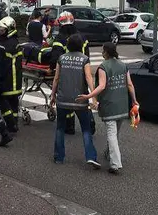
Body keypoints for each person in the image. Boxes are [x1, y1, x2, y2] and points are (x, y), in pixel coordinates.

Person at [77, 43, 138, 174]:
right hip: (122, 105)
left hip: (109, 105)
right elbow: (130, 84)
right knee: (115, 133)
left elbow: (102, 86)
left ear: (105, 52)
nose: (102, 52)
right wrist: (134, 100)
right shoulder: (123, 65)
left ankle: (115, 164)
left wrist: (89, 95)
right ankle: (109, 153)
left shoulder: (103, 67)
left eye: (102, 51)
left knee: (111, 133)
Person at [51, 34, 100, 168]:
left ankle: (59, 157)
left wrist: (52, 95)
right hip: (80, 99)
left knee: (60, 128)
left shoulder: (61, 58)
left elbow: (56, 78)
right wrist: (93, 97)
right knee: (85, 129)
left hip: (63, 99)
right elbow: (89, 78)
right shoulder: (84, 59)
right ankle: (90, 156)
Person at [50, 11, 90, 135]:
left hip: (66, 73)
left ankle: (69, 126)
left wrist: (52, 68)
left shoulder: (60, 38)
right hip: (82, 70)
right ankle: (90, 123)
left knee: (68, 98)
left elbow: (55, 57)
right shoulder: (82, 36)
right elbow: (87, 55)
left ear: (60, 23)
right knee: (82, 97)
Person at [0, 16, 23, 133]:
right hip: (15, 80)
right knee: (14, 103)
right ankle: (14, 122)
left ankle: (11, 123)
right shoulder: (14, 42)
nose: (0, 32)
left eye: (2, 30)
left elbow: (0, 63)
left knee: (4, 103)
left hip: (7, 80)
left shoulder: (6, 45)